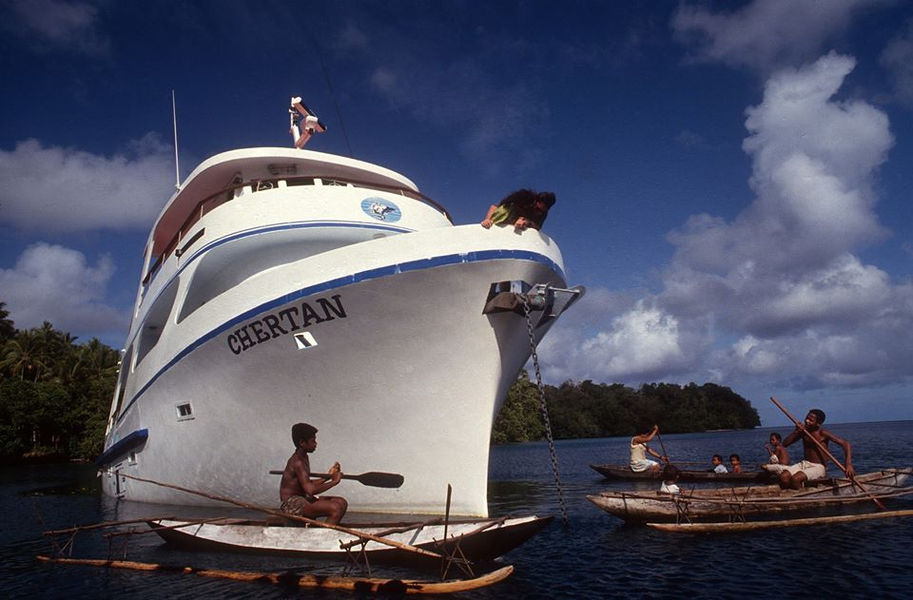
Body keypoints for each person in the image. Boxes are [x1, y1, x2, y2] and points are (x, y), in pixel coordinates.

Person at [279, 422, 348, 524]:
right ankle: (324, 533)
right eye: (313, 441)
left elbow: (307, 484)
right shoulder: (298, 462)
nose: (316, 444)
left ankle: (324, 529)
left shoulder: (304, 457)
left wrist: (328, 476)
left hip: (302, 498)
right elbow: (311, 490)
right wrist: (334, 481)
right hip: (291, 504)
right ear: (302, 442)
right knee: (336, 508)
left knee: (342, 502)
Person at [778, 408, 854, 490]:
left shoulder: (822, 433)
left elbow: (846, 444)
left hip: (818, 467)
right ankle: (792, 492)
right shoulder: (803, 432)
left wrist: (848, 464)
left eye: (811, 420)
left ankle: (803, 494)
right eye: (806, 418)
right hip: (805, 463)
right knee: (783, 477)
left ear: (818, 424)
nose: (807, 421)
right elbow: (785, 444)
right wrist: (796, 431)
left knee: (795, 479)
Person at [481, 189, 556, 232]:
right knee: (505, 210)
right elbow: (497, 207)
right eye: (537, 209)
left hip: (520, 224)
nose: (538, 212)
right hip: (508, 215)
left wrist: (527, 222)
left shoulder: (543, 213)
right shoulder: (523, 196)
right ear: (535, 201)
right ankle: (492, 221)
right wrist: (488, 219)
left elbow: (538, 227)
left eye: (541, 211)